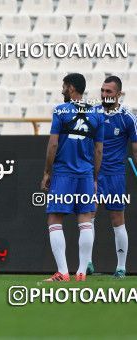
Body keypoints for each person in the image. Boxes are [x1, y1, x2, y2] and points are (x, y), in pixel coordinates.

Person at [41, 73, 104, 282]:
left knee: (54, 219)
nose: (62, 90)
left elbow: (52, 144)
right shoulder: (97, 115)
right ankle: (82, 272)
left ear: (71, 87)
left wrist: (47, 172)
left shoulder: (61, 111)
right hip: (85, 174)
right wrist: (94, 177)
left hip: (63, 173)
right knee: (85, 219)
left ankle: (63, 272)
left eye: (64, 86)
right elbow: (98, 151)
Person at [89, 76, 137, 279]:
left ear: (119, 94)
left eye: (109, 92)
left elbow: (135, 149)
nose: (104, 95)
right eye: (102, 91)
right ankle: (87, 264)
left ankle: (120, 268)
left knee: (117, 220)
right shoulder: (93, 113)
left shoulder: (128, 117)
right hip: (92, 175)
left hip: (115, 175)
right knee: (87, 217)